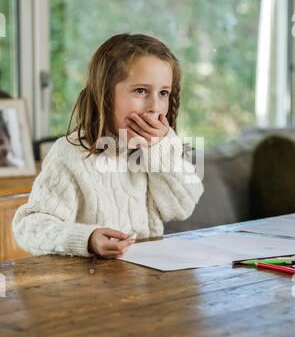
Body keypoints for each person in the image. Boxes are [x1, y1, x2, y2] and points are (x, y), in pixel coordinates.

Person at [12, 33, 203, 259]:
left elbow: (182, 207)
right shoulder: (70, 153)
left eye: (163, 93)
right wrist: (88, 238)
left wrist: (161, 150)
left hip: (147, 279)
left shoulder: (157, 149)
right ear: (105, 96)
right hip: (89, 281)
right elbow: (30, 226)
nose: (154, 107)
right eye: (141, 91)